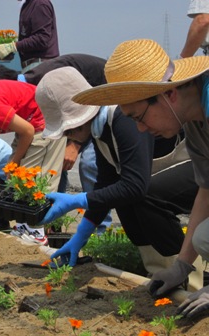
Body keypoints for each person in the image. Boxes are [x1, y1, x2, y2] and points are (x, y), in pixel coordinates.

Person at [72, 39, 209, 317]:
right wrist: (181, 266)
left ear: (169, 94)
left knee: (206, 237)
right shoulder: (195, 120)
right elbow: (206, 189)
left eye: (139, 116)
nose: (141, 129)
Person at [37, 66, 203, 291]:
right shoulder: (99, 129)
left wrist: (78, 200)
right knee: (122, 198)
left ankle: (191, 280)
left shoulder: (123, 119)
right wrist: (81, 234)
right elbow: (108, 182)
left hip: (192, 166)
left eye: (68, 130)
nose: (68, 137)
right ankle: (158, 270)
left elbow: (135, 186)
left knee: (147, 196)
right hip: (189, 174)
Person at [0, 55, 112, 232]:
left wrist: (74, 145)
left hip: (102, 96)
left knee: (89, 165)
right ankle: (51, 225)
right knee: (53, 172)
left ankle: (100, 230)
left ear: (0, 86)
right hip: (65, 119)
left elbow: (77, 112)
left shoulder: (47, 82)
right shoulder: (21, 92)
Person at [0, 0, 59, 72]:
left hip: (40, 66)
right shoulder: (28, 5)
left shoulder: (40, 3)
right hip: (34, 65)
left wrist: (13, 46)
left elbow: (41, 39)